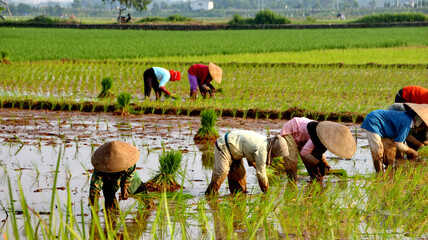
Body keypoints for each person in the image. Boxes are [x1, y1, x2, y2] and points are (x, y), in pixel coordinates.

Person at [205, 130, 289, 195]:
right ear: (274, 149)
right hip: (224, 145)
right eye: (276, 154)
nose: (275, 156)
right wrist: (266, 191)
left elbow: (254, 161)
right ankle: (210, 195)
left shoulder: (265, 143)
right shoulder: (262, 149)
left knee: (240, 183)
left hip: (235, 151)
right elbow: (261, 174)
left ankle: (236, 199)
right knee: (222, 172)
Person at [280, 118, 357, 182]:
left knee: (314, 169)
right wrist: (319, 164)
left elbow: (319, 152)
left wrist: (325, 164)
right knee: (292, 160)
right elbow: (304, 153)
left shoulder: (327, 138)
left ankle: (315, 181)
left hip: (305, 136)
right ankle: (292, 183)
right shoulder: (318, 135)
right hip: (291, 130)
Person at [361, 103, 428, 172]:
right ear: (420, 121)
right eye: (424, 125)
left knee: (389, 153)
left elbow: (406, 136)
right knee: (378, 149)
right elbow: (398, 143)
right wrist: (412, 151)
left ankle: (388, 170)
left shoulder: (409, 120)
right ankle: (379, 173)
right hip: (374, 120)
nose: (423, 127)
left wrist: (418, 145)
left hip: (385, 127)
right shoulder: (407, 122)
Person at [89, 141, 148, 215]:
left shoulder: (128, 163)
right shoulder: (100, 169)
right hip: (108, 180)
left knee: (141, 192)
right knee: (110, 205)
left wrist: (125, 189)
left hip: (128, 176)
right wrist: (94, 209)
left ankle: (148, 209)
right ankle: (112, 219)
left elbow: (130, 175)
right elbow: (94, 189)